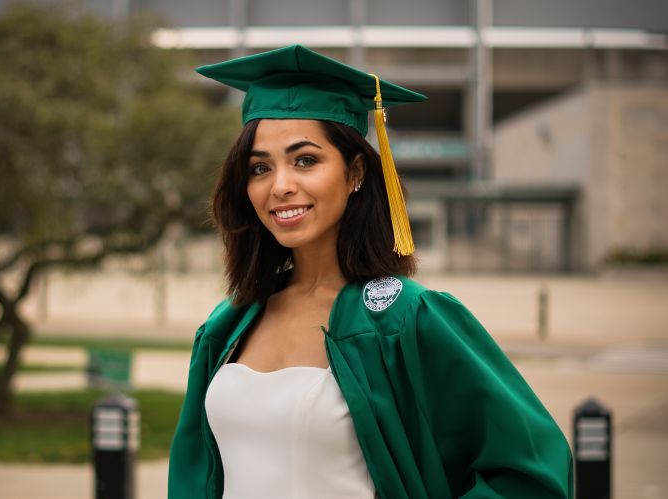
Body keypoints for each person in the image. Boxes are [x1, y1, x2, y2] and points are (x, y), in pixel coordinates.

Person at [167, 45, 573, 499]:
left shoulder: (405, 319)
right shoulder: (228, 326)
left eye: (305, 160)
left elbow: (532, 475)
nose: (280, 185)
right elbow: (193, 475)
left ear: (355, 171)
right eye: (260, 167)